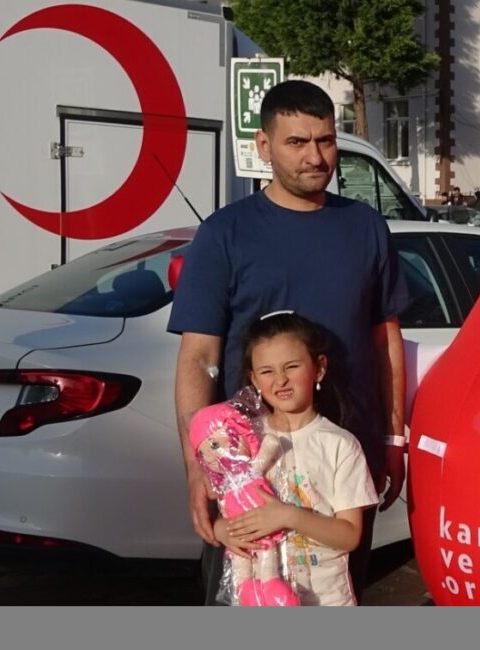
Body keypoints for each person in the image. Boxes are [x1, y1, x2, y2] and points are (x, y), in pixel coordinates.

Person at [169, 79, 408, 605]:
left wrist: (392, 440)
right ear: (264, 145)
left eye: (324, 140)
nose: (315, 156)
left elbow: (386, 339)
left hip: (343, 454)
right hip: (250, 464)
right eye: (296, 142)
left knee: (334, 595)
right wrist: (198, 468)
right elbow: (199, 357)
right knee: (249, 599)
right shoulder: (225, 234)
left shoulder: (366, 228)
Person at [215, 311, 379, 606]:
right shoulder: (242, 441)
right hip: (258, 601)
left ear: (319, 368)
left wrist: (287, 515)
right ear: (253, 378)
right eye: (266, 371)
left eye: (292, 366)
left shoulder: (340, 445)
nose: (280, 380)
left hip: (325, 600)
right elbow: (224, 515)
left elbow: (350, 535)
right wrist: (225, 533)